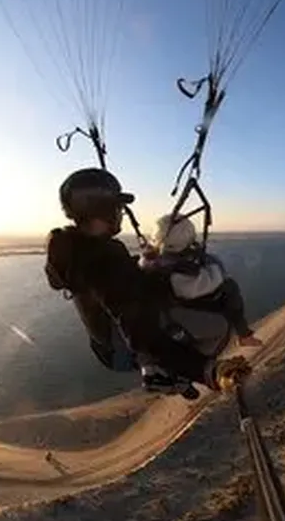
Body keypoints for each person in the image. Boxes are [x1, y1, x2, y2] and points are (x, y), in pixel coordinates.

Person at [44, 168, 249, 395]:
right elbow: (139, 330)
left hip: (107, 341)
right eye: (118, 207)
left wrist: (143, 265)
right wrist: (208, 371)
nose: (121, 212)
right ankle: (164, 374)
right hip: (122, 348)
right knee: (218, 325)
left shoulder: (81, 248)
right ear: (102, 210)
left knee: (171, 296)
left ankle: (167, 370)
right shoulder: (101, 262)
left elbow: (115, 283)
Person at [141, 214, 263, 356]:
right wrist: (209, 262)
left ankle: (242, 335)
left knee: (227, 291)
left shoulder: (154, 261)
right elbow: (201, 285)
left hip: (166, 310)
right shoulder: (176, 273)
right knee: (228, 297)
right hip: (173, 314)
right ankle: (202, 359)